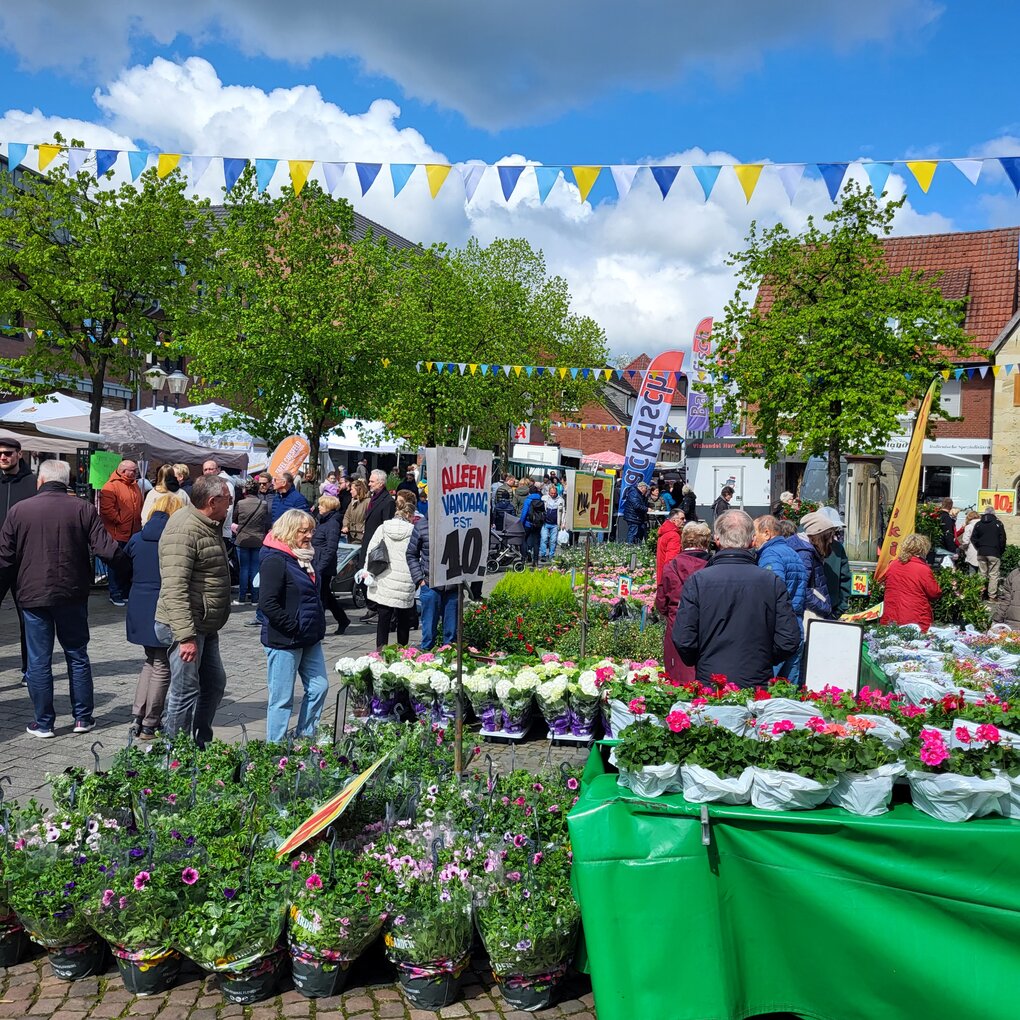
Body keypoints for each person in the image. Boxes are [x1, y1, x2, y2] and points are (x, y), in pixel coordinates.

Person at [0, 460, 122, 737]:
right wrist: (130, 574)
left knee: (39, 660)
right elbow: (108, 550)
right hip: (72, 592)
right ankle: (82, 718)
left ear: (40, 481)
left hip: (32, 595)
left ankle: (44, 723)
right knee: (77, 655)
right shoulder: (83, 509)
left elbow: (4, 559)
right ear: (66, 481)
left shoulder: (19, 510)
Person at [672, 510, 800, 688]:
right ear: (753, 540)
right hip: (755, 679)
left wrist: (702, 658)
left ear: (717, 540)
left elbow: (683, 638)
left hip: (712, 681)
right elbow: (789, 638)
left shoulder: (699, 581)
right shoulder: (771, 581)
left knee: (710, 717)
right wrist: (763, 659)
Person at [154, 474, 233, 747]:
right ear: (212, 501)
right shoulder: (185, 529)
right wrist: (185, 636)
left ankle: (200, 742)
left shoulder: (208, 523)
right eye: (227, 499)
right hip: (186, 625)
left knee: (213, 684)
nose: (231, 503)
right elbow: (174, 587)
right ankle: (173, 754)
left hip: (205, 623)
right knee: (185, 690)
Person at [259, 509, 330, 742]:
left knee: (319, 687)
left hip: (309, 637)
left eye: (311, 530)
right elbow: (267, 603)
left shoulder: (305, 557)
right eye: (304, 531)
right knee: (282, 698)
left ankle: (305, 738)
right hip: (285, 640)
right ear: (289, 531)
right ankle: (274, 748)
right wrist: (293, 626)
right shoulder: (275, 559)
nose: (309, 536)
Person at [125, 495, 183, 739]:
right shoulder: (175, 540)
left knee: (150, 661)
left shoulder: (137, 538)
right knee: (162, 664)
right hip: (163, 604)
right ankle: (151, 721)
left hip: (138, 602)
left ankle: (138, 716)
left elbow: (123, 565)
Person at [754, 515, 809, 684]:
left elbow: (770, 593)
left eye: (754, 533)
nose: (753, 539)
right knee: (788, 691)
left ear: (767, 533)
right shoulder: (792, 553)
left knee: (767, 690)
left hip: (778, 631)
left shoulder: (771, 555)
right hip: (795, 627)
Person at [655, 521, 711, 682]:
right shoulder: (712, 566)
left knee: (678, 674)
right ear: (706, 542)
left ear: (684, 540)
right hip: (707, 624)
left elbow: (661, 601)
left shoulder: (671, 566)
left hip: (677, 623)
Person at [0, 437, 36, 683]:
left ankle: (29, 669)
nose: (3, 457)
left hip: (25, 562)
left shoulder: (33, 483)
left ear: (19, 454)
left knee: (30, 618)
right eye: (0, 454)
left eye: (7, 453)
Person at [364, 490, 416, 649]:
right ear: (409, 514)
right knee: (403, 619)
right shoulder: (413, 531)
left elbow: (371, 550)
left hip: (384, 577)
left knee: (383, 619)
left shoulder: (383, 527)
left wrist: (368, 571)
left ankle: (381, 650)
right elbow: (417, 554)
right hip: (405, 578)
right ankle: (403, 650)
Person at [407, 509, 458, 651]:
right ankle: (426, 660)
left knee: (452, 634)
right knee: (428, 632)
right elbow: (411, 554)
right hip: (430, 584)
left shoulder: (458, 523)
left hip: (453, 585)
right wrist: (419, 580)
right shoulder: (422, 525)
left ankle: (450, 663)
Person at [99, 459, 143, 606]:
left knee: (128, 564)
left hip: (133, 532)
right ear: (124, 471)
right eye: (133, 470)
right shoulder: (111, 486)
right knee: (116, 564)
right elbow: (106, 510)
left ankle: (124, 592)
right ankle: (115, 593)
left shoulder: (135, 485)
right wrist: (120, 520)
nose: (136, 472)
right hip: (117, 533)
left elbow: (139, 505)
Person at [879, 533, 942, 632]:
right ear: (923, 549)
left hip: (891, 616)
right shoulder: (923, 569)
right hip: (915, 618)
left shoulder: (893, 565)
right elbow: (934, 592)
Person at [359, 469, 396, 622]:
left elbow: (387, 525)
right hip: (367, 541)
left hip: (377, 545)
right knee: (362, 574)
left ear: (380, 483)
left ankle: (380, 609)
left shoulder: (387, 501)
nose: (369, 483)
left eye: (372, 481)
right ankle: (372, 606)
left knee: (374, 575)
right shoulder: (373, 498)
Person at [312, 494, 349, 635]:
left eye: (321, 505)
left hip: (323, 565)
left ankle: (319, 627)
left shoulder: (332, 523)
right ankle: (343, 619)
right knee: (326, 595)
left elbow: (331, 548)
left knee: (322, 596)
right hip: (317, 561)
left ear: (328, 506)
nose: (319, 507)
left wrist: (321, 567)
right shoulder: (322, 521)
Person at [787, 511, 833, 621]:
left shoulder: (806, 549)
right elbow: (802, 588)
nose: (831, 541)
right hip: (809, 613)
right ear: (819, 536)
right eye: (828, 537)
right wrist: (825, 607)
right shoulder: (805, 553)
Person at [233, 479, 268, 605]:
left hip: (243, 539)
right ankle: (255, 598)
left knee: (244, 569)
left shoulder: (240, 503)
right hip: (258, 539)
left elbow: (234, 518)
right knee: (255, 569)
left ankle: (241, 598)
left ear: (245, 490)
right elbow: (265, 519)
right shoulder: (263, 504)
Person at [818, 506, 851, 618]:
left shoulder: (838, 548)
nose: (832, 534)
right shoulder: (806, 548)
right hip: (808, 610)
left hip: (832, 610)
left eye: (834, 530)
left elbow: (845, 579)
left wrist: (839, 609)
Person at [972, 506, 1008, 599]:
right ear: (994, 513)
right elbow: (1002, 539)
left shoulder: (978, 524)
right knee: (993, 575)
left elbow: (973, 538)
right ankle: (992, 596)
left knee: (981, 574)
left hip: (981, 552)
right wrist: (1000, 551)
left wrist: (979, 547)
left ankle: (979, 595)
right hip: (994, 552)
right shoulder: (998, 524)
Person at [202, 459, 236, 541]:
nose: (208, 472)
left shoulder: (226, 485)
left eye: (211, 469)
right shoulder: (203, 486)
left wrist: (216, 525)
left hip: (221, 532)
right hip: (206, 530)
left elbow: (228, 509)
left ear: (217, 470)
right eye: (205, 469)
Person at [654, 505, 686, 586]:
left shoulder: (665, 531)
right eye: (682, 518)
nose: (684, 521)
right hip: (669, 579)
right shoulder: (674, 535)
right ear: (674, 520)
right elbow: (671, 560)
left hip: (662, 575)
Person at [519, 483, 544, 566]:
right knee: (536, 542)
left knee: (523, 539)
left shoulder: (528, 500)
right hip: (538, 524)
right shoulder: (540, 500)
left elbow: (524, 513)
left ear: (529, 493)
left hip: (528, 524)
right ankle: (536, 561)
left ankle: (524, 557)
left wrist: (521, 523)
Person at [539, 483, 565, 561]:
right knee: (544, 539)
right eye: (551, 493)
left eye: (554, 493)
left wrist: (563, 522)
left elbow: (563, 511)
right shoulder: (544, 498)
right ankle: (543, 555)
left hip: (555, 524)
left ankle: (551, 555)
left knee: (553, 541)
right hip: (545, 523)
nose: (553, 495)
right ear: (549, 492)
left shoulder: (561, 500)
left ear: (556, 492)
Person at [992, 565, 1020, 630]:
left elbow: (1005, 601)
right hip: (1012, 626)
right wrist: (996, 619)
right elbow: (1006, 601)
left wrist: (996, 620)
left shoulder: (1015, 574)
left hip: (1012, 626)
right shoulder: (1014, 574)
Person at [342, 478, 369, 542]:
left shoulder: (367, 502)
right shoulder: (352, 502)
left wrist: (363, 529)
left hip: (361, 536)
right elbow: (347, 516)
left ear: (358, 489)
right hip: (351, 535)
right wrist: (345, 526)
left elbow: (370, 518)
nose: (350, 491)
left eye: (352, 489)